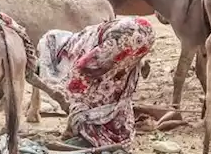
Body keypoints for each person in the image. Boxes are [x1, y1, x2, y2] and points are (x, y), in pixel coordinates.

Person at [38, 18, 154, 147]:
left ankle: (94, 129)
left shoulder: (73, 52)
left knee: (89, 93)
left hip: (122, 39)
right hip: (145, 30)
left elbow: (81, 70)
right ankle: (114, 122)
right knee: (117, 80)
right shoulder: (83, 37)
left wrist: (73, 100)